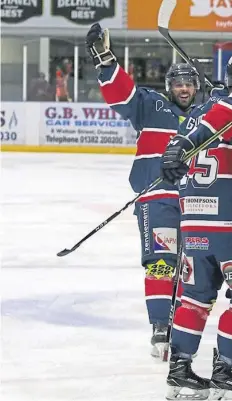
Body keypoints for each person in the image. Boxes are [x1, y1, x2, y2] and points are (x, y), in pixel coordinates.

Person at [86, 23, 199, 358]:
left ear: (196, 87)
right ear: (168, 87)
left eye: (188, 83)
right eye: (177, 83)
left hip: (199, 204)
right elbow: (122, 94)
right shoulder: (151, 107)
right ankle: (160, 327)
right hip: (158, 198)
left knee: (189, 268)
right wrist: (106, 60)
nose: (182, 88)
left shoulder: (210, 115)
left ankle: (180, 322)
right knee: (161, 264)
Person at [162, 52, 232, 400]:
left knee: (193, 297)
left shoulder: (195, 115)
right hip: (230, 225)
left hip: (192, 223)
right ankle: (225, 370)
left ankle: (180, 371)